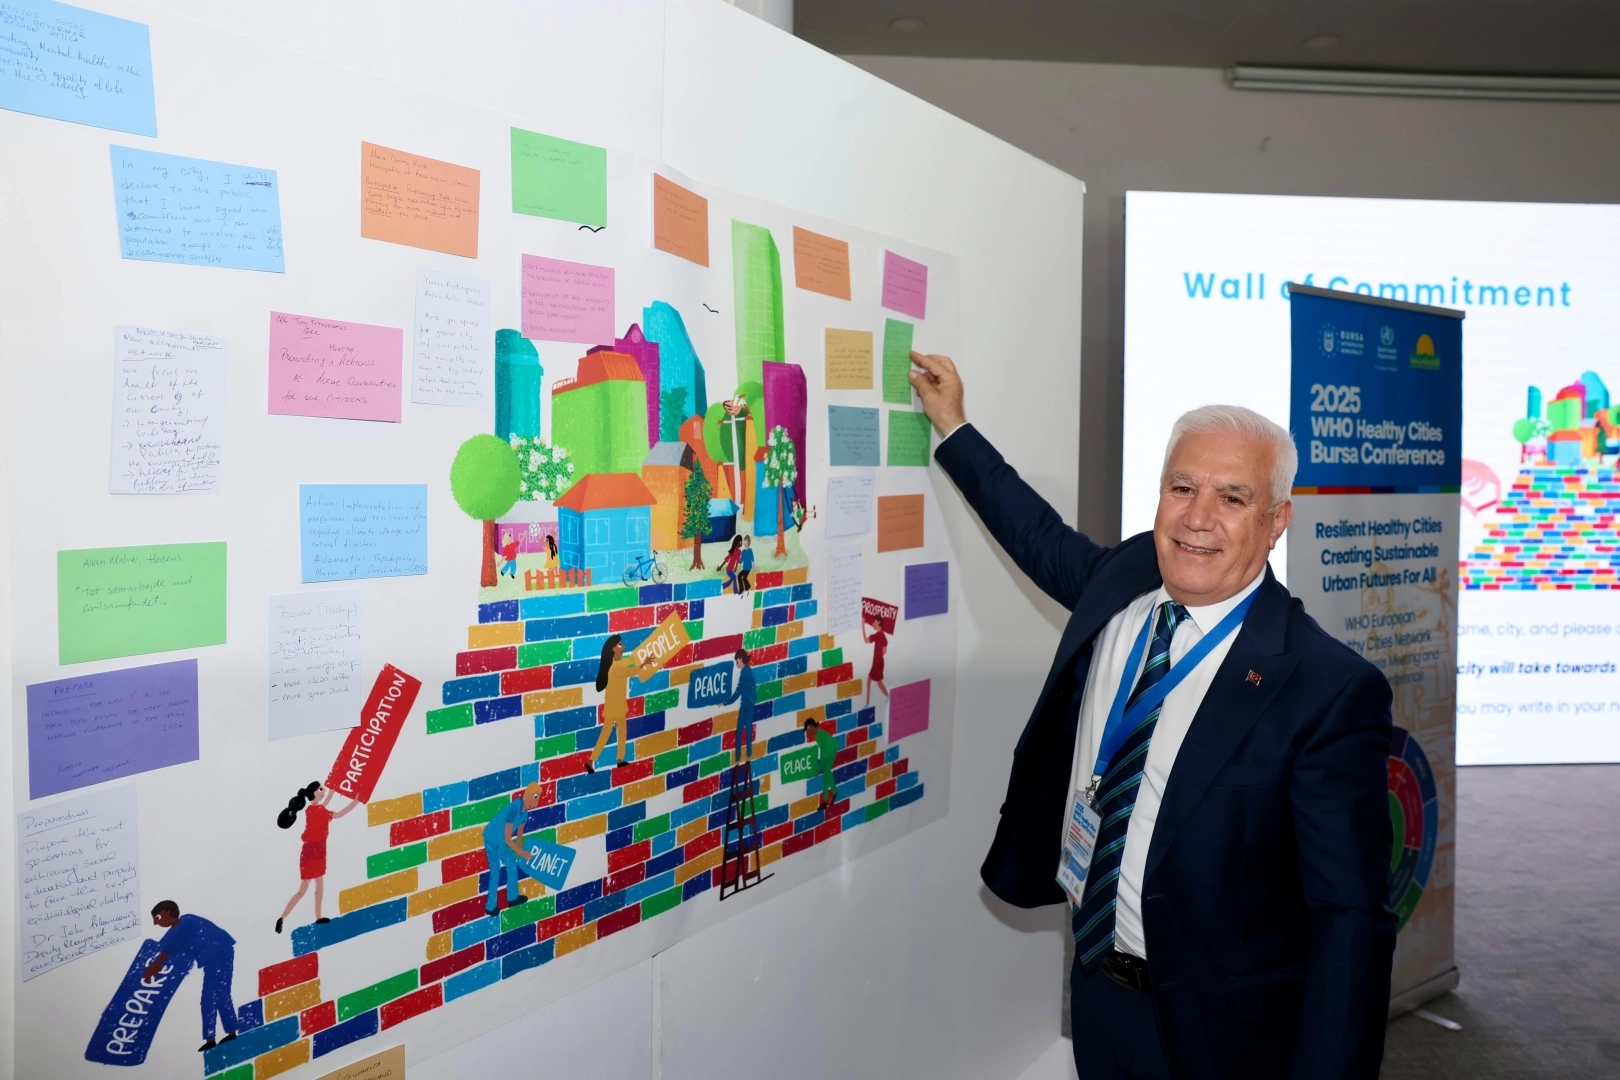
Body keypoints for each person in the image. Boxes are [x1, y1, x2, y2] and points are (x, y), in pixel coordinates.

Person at [907, 350, 1395, 1080]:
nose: (1198, 518)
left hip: (1220, 1036)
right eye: (1182, 488)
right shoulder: (1126, 578)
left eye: (1232, 498)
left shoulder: (1326, 690)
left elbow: (1350, 922)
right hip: (1097, 990)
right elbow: (1034, 534)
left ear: (1276, 522)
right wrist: (952, 424)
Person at [143, 901, 240, 1052]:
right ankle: (217, 1036)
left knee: (215, 996)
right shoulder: (180, 926)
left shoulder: (186, 921)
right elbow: (167, 945)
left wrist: (155, 965)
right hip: (214, 957)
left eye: (157, 918)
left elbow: (167, 947)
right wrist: (155, 964)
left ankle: (223, 1034)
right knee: (215, 996)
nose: (156, 923)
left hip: (220, 953)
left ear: (167, 912)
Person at [275, 780, 358, 933]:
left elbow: (322, 806)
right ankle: (315, 916)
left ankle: (284, 917)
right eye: (321, 789)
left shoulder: (310, 810)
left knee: (304, 890)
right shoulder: (320, 811)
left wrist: (332, 793)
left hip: (309, 851)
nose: (323, 791)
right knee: (316, 887)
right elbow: (339, 814)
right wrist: (355, 802)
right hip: (317, 851)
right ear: (313, 792)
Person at [482, 782, 544, 916]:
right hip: (492, 839)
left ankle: (513, 898)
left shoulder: (524, 814)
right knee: (495, 871)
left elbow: (519, 837)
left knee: (511, 863)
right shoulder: (515, 808)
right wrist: (522, 853)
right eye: (534, 798)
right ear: (527, 795)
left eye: (537, 799)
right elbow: (508, 839)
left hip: (502, 841)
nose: (536, 803)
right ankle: (490, 906)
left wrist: (520, 853)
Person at [587, 634, 639, 773]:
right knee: (609, 734)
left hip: (617, 705)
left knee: (619, 732)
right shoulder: (615, 667)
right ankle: (592, 760)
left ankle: (619, 760)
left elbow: (631, 661)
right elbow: (631, 670)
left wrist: (641, 659)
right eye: (620, 644)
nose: (624, 646)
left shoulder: (618, 663)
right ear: (613, 649)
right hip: (615, 706)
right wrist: (644, 664)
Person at [719, 648, 758, 763]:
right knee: (748, 730)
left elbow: (737, 692)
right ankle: (749, 757)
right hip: (750, 704)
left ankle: (737, 760)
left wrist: (725, 702)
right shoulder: (749, 671)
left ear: (741, 659)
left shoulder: (744, 673)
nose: (737, 665)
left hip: (745, 705)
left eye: (737, 662)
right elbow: (753, 690)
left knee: (739, 731)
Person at [803, 717, 839, 811]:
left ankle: (827, 799)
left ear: (811, 726)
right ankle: (833, 793)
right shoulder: (817, 735)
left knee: (826, 772)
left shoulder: (819, 735)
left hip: (831, 750)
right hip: (829, 750)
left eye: (807, 729)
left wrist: (819, 769)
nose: (807, 732)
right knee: (827, 773)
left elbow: (824, 752)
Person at [862, 617, 889, 705]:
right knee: (878, 682)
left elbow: (865, 640)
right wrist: (879, 655)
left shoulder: (877, 636)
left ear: (879, 622)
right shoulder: (882, 635)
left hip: (877, 661)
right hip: (880, 661)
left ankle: (867, 702)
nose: (873, 623)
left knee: (870, 679)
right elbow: (885, 651)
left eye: (874, 622)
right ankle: (888, 696)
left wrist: (863, 625)